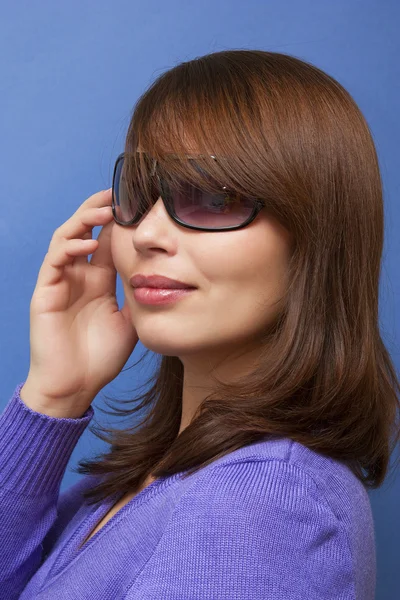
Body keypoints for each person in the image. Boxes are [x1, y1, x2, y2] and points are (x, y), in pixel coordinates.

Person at [1, 48, 397, 599]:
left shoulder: (261, 504)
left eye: (213, 196)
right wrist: (52, 398)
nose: (145, 234)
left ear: (315, 238)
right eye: (141, 191)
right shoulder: (136, 485)